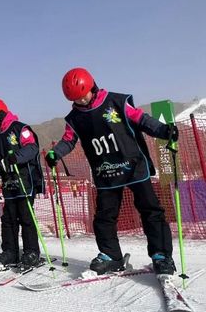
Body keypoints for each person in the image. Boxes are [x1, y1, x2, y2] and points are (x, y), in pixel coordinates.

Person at [46, 67, 177, 275]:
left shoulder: (116, 102)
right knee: (105, 216)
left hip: (133, 165)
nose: (81, 102)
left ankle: (161, 255)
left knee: (150, 209)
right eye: (76, 99)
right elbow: (69, 140)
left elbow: (141, 120)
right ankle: (111, 256)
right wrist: (56, 153)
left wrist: (163, 130)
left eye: (83, 96)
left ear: (92, 87)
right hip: (105, 171)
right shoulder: (74, 118)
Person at [0, 98, 44, 267]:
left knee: (26, 217)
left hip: (24, 181)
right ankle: (10, 251)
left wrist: (14, 158)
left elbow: (32, 148)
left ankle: (31, 252)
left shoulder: (20, 128)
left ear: (0, 115)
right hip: (9, 183)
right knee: (8, 219)